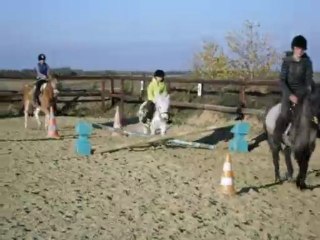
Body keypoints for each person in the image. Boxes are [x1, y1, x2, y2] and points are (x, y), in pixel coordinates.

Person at [274, 35, 315, 142]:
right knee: (284, 113)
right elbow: (282, 81)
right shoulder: (286, 62)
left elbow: (308, 81)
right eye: (297, 48)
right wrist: (290, 95)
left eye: (302, 49)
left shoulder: (307, 63)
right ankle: (277, 136)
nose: (300, 51)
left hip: (302, 93)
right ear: (293, 48)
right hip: (288, 92)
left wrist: (301, 95)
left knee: (308, 113)